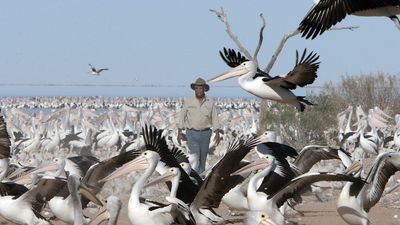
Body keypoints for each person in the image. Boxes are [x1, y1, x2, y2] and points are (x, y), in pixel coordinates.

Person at [177, 77, 220, 174]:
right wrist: (179, 132)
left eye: (201, 88)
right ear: (194, 89)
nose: (199, 90)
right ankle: (195, 176)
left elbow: (215, 118)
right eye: (197, 88)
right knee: (195, 155)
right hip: (191, 133)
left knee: (203, 157)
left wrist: (217, 133)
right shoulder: (188, 101)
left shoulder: (210, 102)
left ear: (204, 89)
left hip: (206, 134)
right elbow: (182, 116)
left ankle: (201, 176)